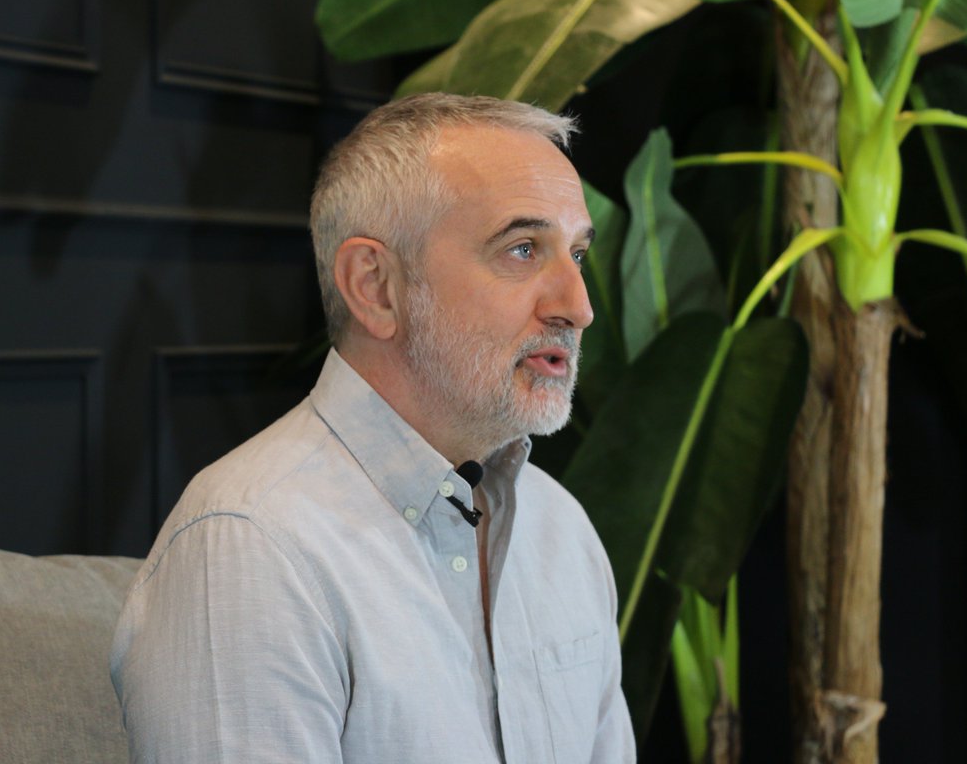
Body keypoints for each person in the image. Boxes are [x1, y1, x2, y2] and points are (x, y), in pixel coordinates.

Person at [110, 93, 635, 763]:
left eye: (578, 255)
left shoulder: (563, 531)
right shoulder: (250, 548)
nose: (578, 306)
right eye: (523, 249)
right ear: (375, 287)